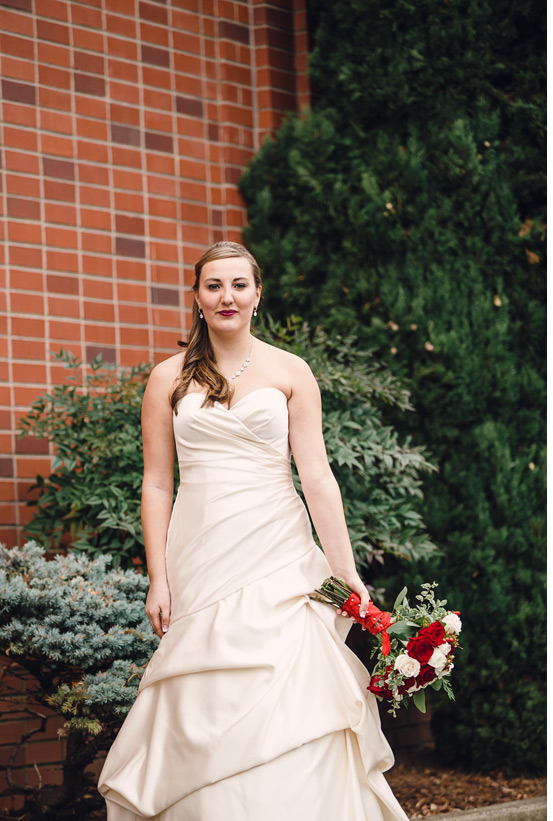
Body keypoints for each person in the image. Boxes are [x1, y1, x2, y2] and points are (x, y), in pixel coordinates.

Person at [99, 241, 408, 820]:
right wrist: (158, 578)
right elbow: (157, 484)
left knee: (294, 686)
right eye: (213, 285)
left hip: (279, 551)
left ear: (257, 294)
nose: (227, 296)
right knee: (208, 688)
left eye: (239, 285)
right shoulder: (167, 378)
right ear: (196, 298)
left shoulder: (291, 371)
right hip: (203, 552)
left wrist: (345, 571)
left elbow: (316, 476)